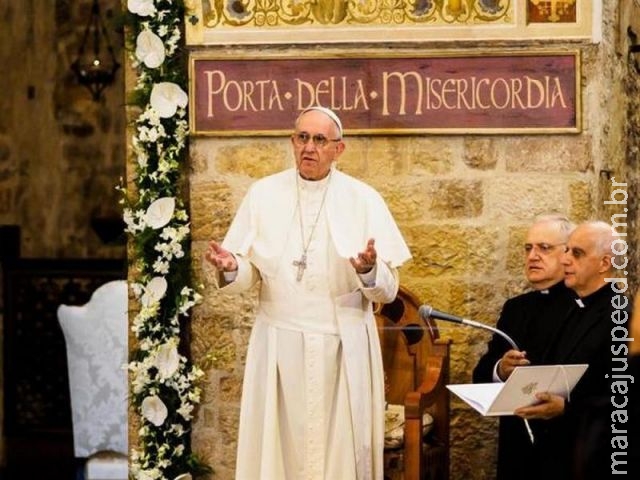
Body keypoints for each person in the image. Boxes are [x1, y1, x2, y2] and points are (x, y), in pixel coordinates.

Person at [204, 106, 411, 480]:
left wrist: (368, 270)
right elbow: (256, 272)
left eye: (319, 140)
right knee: (278, 453)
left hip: (342, 347)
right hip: (278, 347)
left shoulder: (363, 199)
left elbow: (388, 291)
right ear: (292, 141)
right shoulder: (263, 193)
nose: (309, 148)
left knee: (340, 457)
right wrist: (235, 268)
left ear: (338, 149)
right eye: (302, 138)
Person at [511, 220, 630, 479]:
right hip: (558, 452)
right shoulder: (575, 308)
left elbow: (625, 397)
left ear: (605, 264)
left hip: (596, 456)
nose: (565, 260)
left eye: (576, 253)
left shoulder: (622, 316)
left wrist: (567, 408)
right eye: (567, 251)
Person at [472, 214, 577, 479]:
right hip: (517, 447)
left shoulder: (585, 308)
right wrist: (501, 369)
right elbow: (481, 374)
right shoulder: (515, 309)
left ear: (568, 254)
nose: (532, 256)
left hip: (569, 444)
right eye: (528, 248)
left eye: (544, 248)